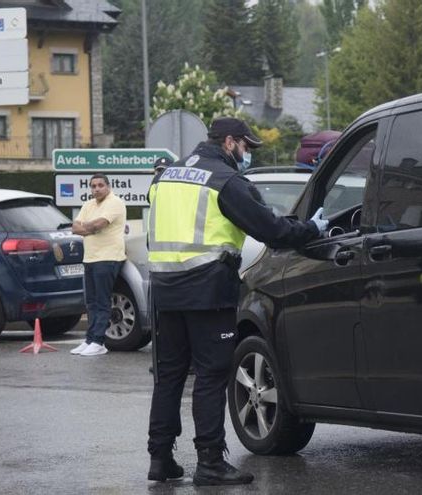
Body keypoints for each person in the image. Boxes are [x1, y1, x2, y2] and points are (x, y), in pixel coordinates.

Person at [146, 117, 327, 486]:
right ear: (229, 142)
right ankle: (210, 462)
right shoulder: (225, 182)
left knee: (169, 377)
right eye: (246, 146)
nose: (246, 155)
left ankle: (160, 458)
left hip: (165, 292)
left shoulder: (164, 178)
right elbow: (272, 230)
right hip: (207, 292)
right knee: (212, 378)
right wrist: (313, 229)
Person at [70, 173, 127, 356]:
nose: (96, 189)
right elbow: (75, 227)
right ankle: (89, 339)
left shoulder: (114, 202)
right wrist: (89, 227)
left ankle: (99, 341)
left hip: (108, 257)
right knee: (91, 302)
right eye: (93, 186)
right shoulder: (89, 204)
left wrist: (87, 228)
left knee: (102, 301)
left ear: (108, 186)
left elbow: (100, 224)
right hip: (90, 258)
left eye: (100, 185)